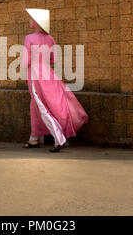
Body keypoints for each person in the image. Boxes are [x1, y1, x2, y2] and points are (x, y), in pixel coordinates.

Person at [22, 9, 88, 152]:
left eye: (31, 18)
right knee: (36, 105)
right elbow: (54, 59)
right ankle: (33, 138)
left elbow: (25, 60)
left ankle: (59, 139)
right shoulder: (51, 39)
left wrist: (25, 71)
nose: (29, 21)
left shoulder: (29, 38)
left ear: (36, 22)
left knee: (41, 106)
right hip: (49, 74)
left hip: (36, 75)